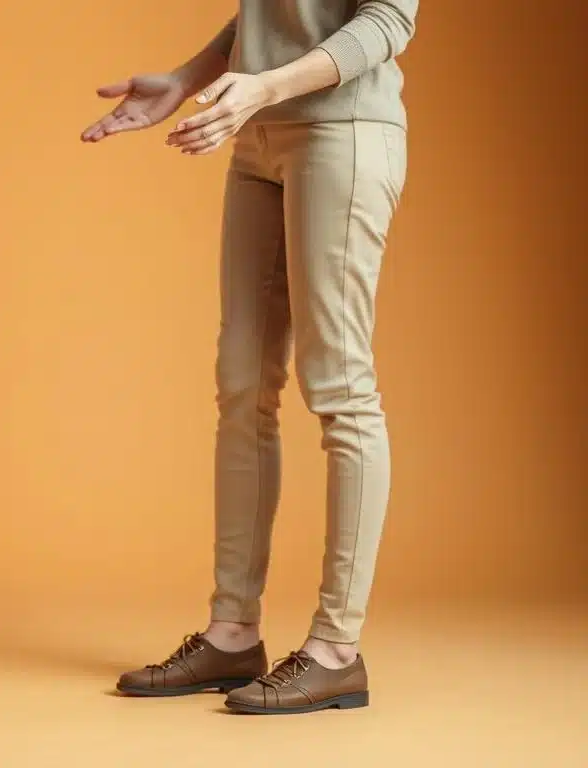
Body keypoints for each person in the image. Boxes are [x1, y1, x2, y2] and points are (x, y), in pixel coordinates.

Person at [81, 1, 418, 714]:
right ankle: (233, 633)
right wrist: (186, 77)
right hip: (259, 137)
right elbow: (272, 16)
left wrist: (263, 86)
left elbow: (389, 19)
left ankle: (336, 649)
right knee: (240, 384)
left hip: (344, 130)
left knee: (339, 386)